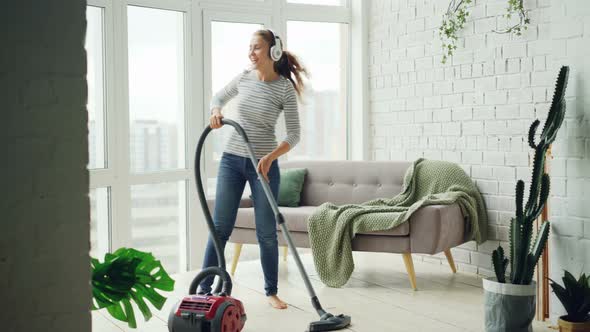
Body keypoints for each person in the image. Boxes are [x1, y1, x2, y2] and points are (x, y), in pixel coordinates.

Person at [199, 29, 308, 309]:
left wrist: (271, 156)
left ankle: (271, 291)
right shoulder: (244, 78)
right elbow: (218, 97)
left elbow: (294, 134)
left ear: (273, 51)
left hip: (264, 166)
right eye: (250, 47)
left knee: (266, 233)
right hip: (232, 161)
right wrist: (215, 112)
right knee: (220, 228)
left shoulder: (283, 88)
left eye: (257, 47)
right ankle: (203, 291)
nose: (251, 52)